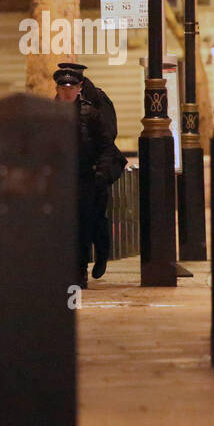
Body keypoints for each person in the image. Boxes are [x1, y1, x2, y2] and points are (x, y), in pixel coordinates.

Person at [55, 65, 126, 287]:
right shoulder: (48, 112)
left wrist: (102, 171)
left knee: (90, 222)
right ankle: (72, 268)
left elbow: (107, 143)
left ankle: (90, 261)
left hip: (88, 176)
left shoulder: (91, 110)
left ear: (80, 86)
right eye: (62, 87)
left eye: (72, 86)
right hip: (62, 180)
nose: (67, 91)